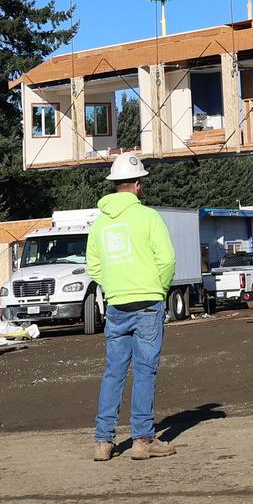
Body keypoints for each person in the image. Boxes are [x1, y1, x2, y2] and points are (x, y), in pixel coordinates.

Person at [86, 152, 178, 462]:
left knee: (113, 371)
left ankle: (103, 442)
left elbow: (94, 267)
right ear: (137, 185)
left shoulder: (100, 223)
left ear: (114, 184)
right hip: (147, 303)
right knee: (144, 371)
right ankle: (142, 439)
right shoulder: (148, 217)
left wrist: (115, 284)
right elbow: (166, 259)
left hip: (116, 304)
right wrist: (159, 288)